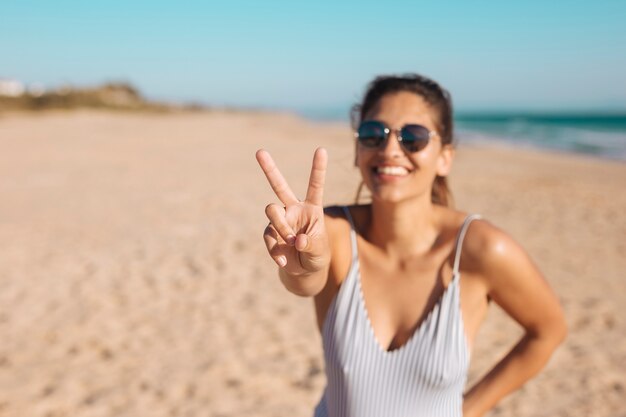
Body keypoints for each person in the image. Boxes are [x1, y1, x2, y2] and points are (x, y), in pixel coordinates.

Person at [255, 74, 567, 417]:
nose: (390, 150)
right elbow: (306, 281)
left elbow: (548, 330)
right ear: (359, 150)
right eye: (374, 134)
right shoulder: (333, 232)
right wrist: (302, 265)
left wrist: (468, 410)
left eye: (413, 137)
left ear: (445, 157)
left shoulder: (480, 249)